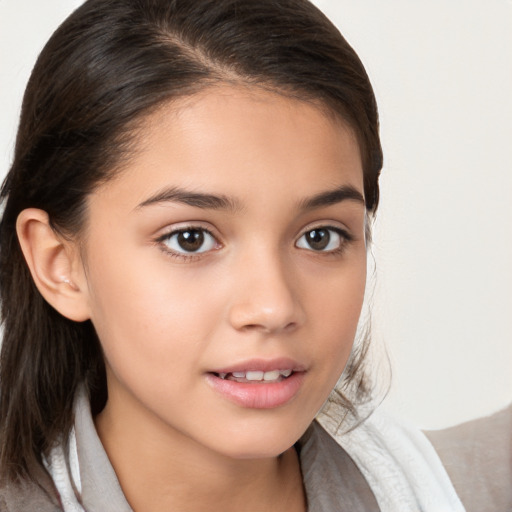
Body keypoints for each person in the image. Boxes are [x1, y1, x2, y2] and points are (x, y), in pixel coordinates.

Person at [0, 0, 505, 511]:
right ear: (58, 264)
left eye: (320, 237)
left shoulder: (473, 490)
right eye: (190, 238)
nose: (273, 307)